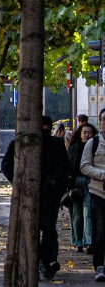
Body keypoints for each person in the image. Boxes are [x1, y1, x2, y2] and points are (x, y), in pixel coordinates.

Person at [4, 115, 70, 281]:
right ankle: (39, 261)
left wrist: (54, 185)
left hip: (49, 196)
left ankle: (44, 261)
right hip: (31, 195)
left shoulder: (55, 144)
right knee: (35, 229)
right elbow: (6, 165)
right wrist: (19, 183)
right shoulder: (19, 143)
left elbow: (65, 168)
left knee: (48, 230)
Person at [83, 109, 105, 281]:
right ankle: (99, 266)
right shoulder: (93, 143)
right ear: (100, 122)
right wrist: (102, 175)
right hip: (98, 192)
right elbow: (84, 166)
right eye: (104, 119)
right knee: (99, 231)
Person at [69, 122, 97, 252]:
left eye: (89, 133)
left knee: (88, 212)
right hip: (76, 182)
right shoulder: (74, 147)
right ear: (80, 134)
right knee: (77, 214)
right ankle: (77, 241)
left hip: (91, 181)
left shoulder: (95, 147)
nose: (87, 135)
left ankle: (88, 241)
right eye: (84, 132)